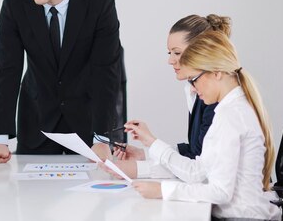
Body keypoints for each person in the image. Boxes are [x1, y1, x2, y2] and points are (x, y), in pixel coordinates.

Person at [125, 31, 283, 221]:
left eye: (194, 79)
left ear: (216, 73)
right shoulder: (227, 111)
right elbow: (199, 171)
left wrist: (163, 190)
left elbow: (219, 192)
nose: (193, 88)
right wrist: (151, 143)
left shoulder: (232, 116)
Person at [0, 0, 122, 162]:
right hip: (36, 121)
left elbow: (106, 72)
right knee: (32, 195)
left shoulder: (100, 3)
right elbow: (7, 71)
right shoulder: (14, 4)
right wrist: (0, 138)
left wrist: (102, 138)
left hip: (87, 123)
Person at [94, 14, 232, 177]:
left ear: (201, 51)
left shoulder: (215, 98)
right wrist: (144, 154)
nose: (170, 61)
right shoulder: (194, 90)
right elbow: (196, 151)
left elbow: (200, 171)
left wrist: (146, 155)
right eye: (170, 53)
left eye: (177, 53)